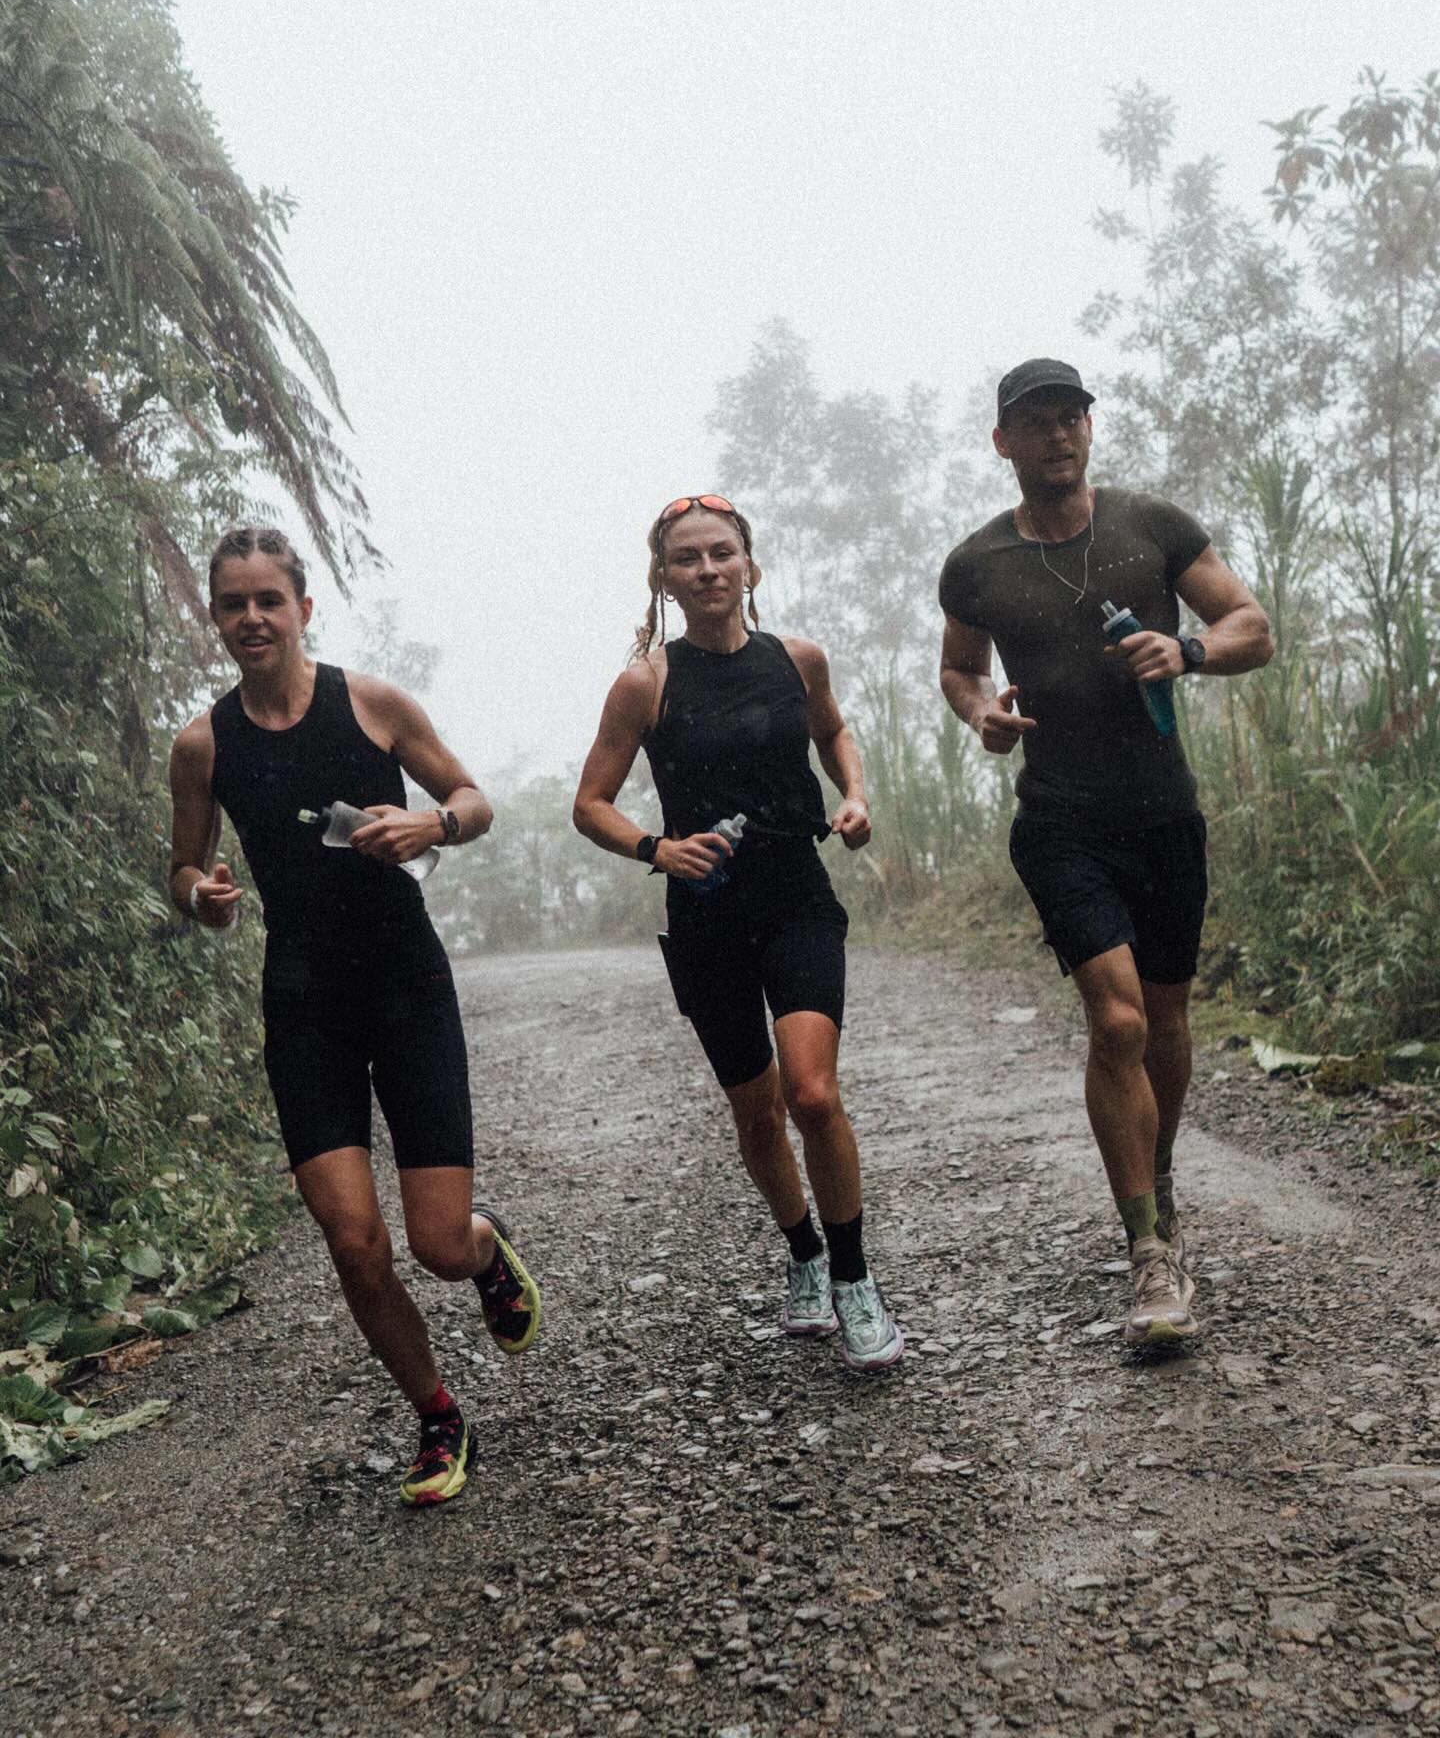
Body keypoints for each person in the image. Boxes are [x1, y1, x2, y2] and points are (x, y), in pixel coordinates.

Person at [168, 525, 541, 1506]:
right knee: (353, 1241)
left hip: (406, 986)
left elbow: (473, 797)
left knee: (435, 1243)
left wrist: (436, 822)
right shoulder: (202, 745)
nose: (253, 618)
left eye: (269, 600)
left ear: (302, 607)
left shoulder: (369, 704)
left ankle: (484, 1246)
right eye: (233, 603)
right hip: (302, 1002)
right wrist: (198, 895)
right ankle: (436, 1416)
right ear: (215, 615)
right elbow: (183, 865)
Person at [938, 361, 1273, 1349]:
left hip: (1164, 816)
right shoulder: (976, 565)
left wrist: (1191, 652)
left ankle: (1157, 1184)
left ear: (1090, 427)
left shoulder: (1150, 525)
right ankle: (1148, 1254)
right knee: (1118, 1018)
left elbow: (1250, 625)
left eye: (1070, 420)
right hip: (1059, 820)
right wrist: (982, 713)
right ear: (1002, 442)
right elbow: (960, 669)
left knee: (1166, 1021)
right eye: (1034, 425)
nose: (1057, 438)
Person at [573, 493, 902, 1372]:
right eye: (689, 558)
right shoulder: (648, 681)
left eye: (723, 553)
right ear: (665, 579)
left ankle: (855, 1278)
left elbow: (833, 731)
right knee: (756, 1115)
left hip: (797, 892)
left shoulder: (797, 660)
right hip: (707, 912)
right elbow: (589, 805)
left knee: (813, 1094)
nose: (709, 569)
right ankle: (801, 1253)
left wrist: (855, 796)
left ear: (750, 566)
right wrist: (656, 848)